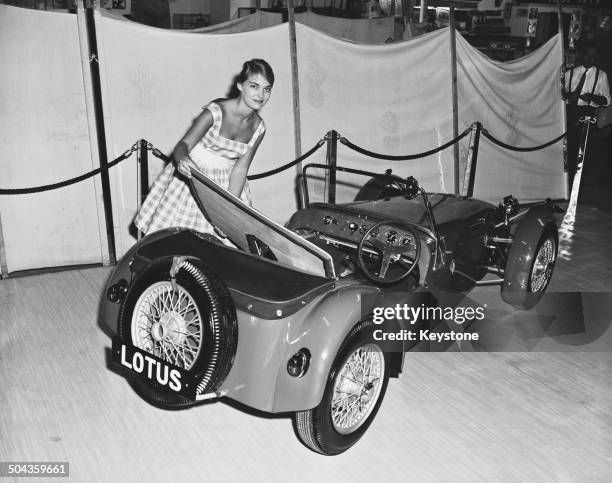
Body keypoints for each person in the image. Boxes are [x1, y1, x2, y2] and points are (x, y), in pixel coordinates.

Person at [134, 58, 274, 237]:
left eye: (267, 89)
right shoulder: (216, 112)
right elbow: (183, 145)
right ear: (240, 85)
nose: (261, 95)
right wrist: (184, 160)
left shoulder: (259, 128)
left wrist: (227, 211)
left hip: (226, 185)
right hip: (193, 176)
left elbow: (240, 170)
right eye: (254, 86)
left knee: (222, 248)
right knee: (177, 242)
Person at [562, 42, 610, 190]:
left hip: (587, 115)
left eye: (593, 56)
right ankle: (565, 178)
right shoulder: (571, 73)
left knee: (581, 149)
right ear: (582, 55)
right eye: (587, 55)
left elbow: (607, 101)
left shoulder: (601, 75)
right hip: (569, 113)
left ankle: (578, 180)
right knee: (567, 147)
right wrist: (566, 95)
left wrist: (592, 97)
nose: (589, 59)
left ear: (596, 58)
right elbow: (562, 94)